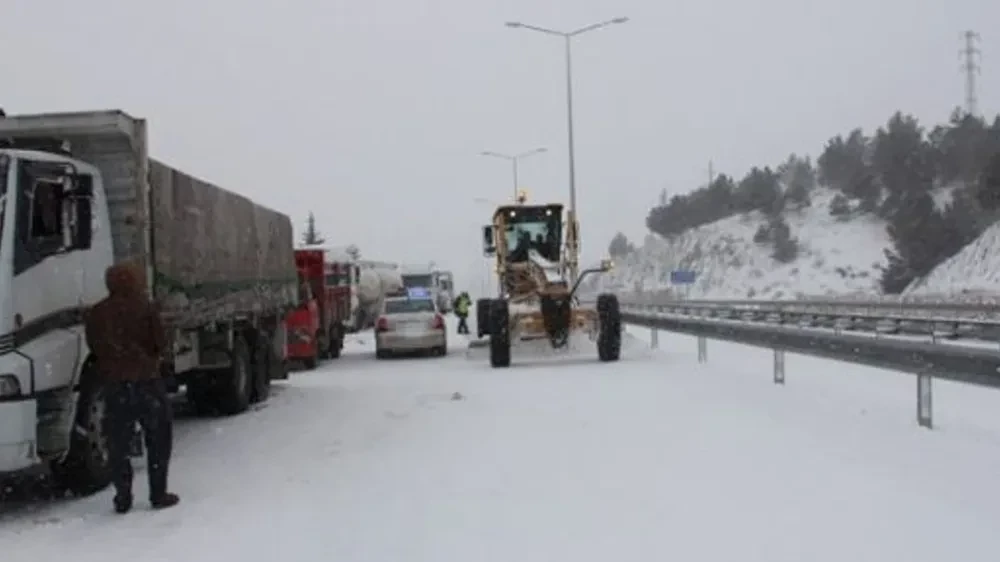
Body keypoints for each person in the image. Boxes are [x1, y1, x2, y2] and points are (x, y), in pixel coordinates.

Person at [84, 263, 179, 514]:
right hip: (147, 382)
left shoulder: (97, 313)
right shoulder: (146, 309)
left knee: (117, 443)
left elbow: (94, 346)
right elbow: (159, 342)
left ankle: (123, 496)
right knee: (158, 440)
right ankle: (158, 494)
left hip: (114, 385)